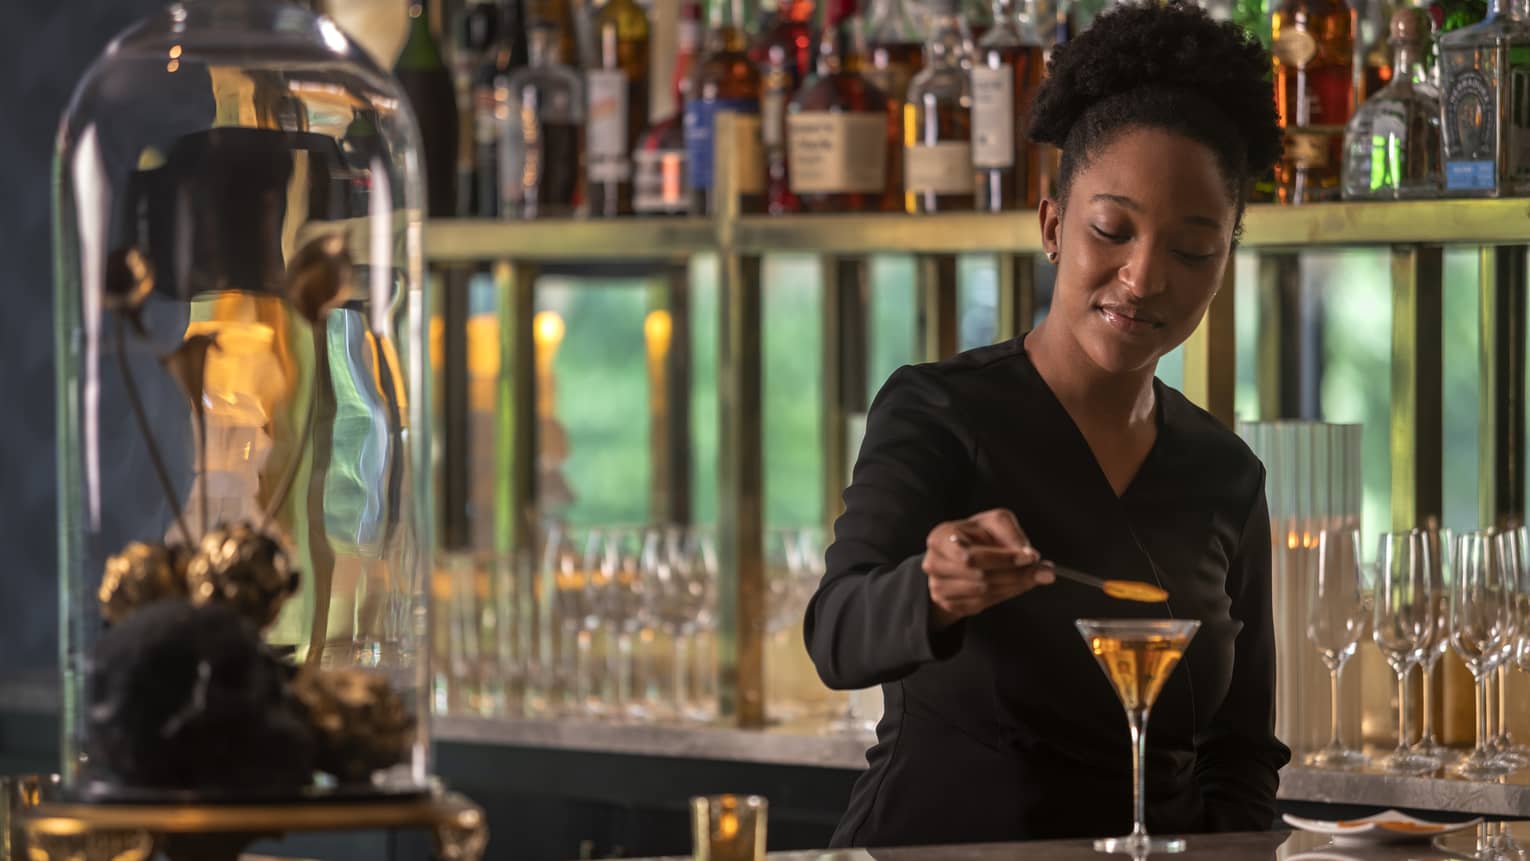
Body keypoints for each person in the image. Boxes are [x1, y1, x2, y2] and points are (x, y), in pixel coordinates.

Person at [803, 0, 1291, 848]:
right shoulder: (941, 411)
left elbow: (1241, 755)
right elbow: (836, 632)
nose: (1142, 278)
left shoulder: (1226, 474)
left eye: (1191, 250)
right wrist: (931, 588)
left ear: (1226, 264)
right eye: (1112, 230)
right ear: (1054, 226)